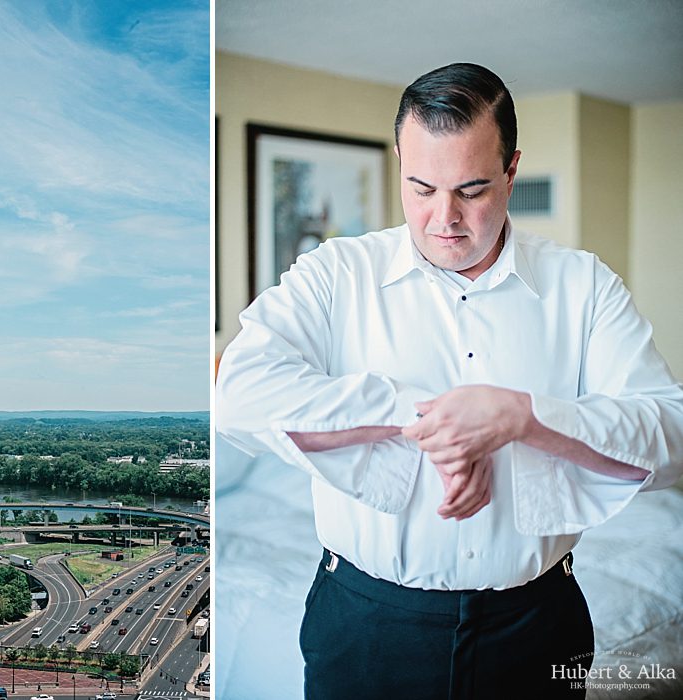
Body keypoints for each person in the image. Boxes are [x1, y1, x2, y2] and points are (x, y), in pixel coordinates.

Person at [215, 62, 683, 699]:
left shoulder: (584, 286)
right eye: (420, 188)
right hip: (366, 627)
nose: (444, 218)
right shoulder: (335, 274)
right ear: (400, 164)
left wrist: (522, 417)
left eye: (472, 189)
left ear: (511, 170)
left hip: (538, 626)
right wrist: (431, 419)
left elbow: (671, 430)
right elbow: (239, 394)